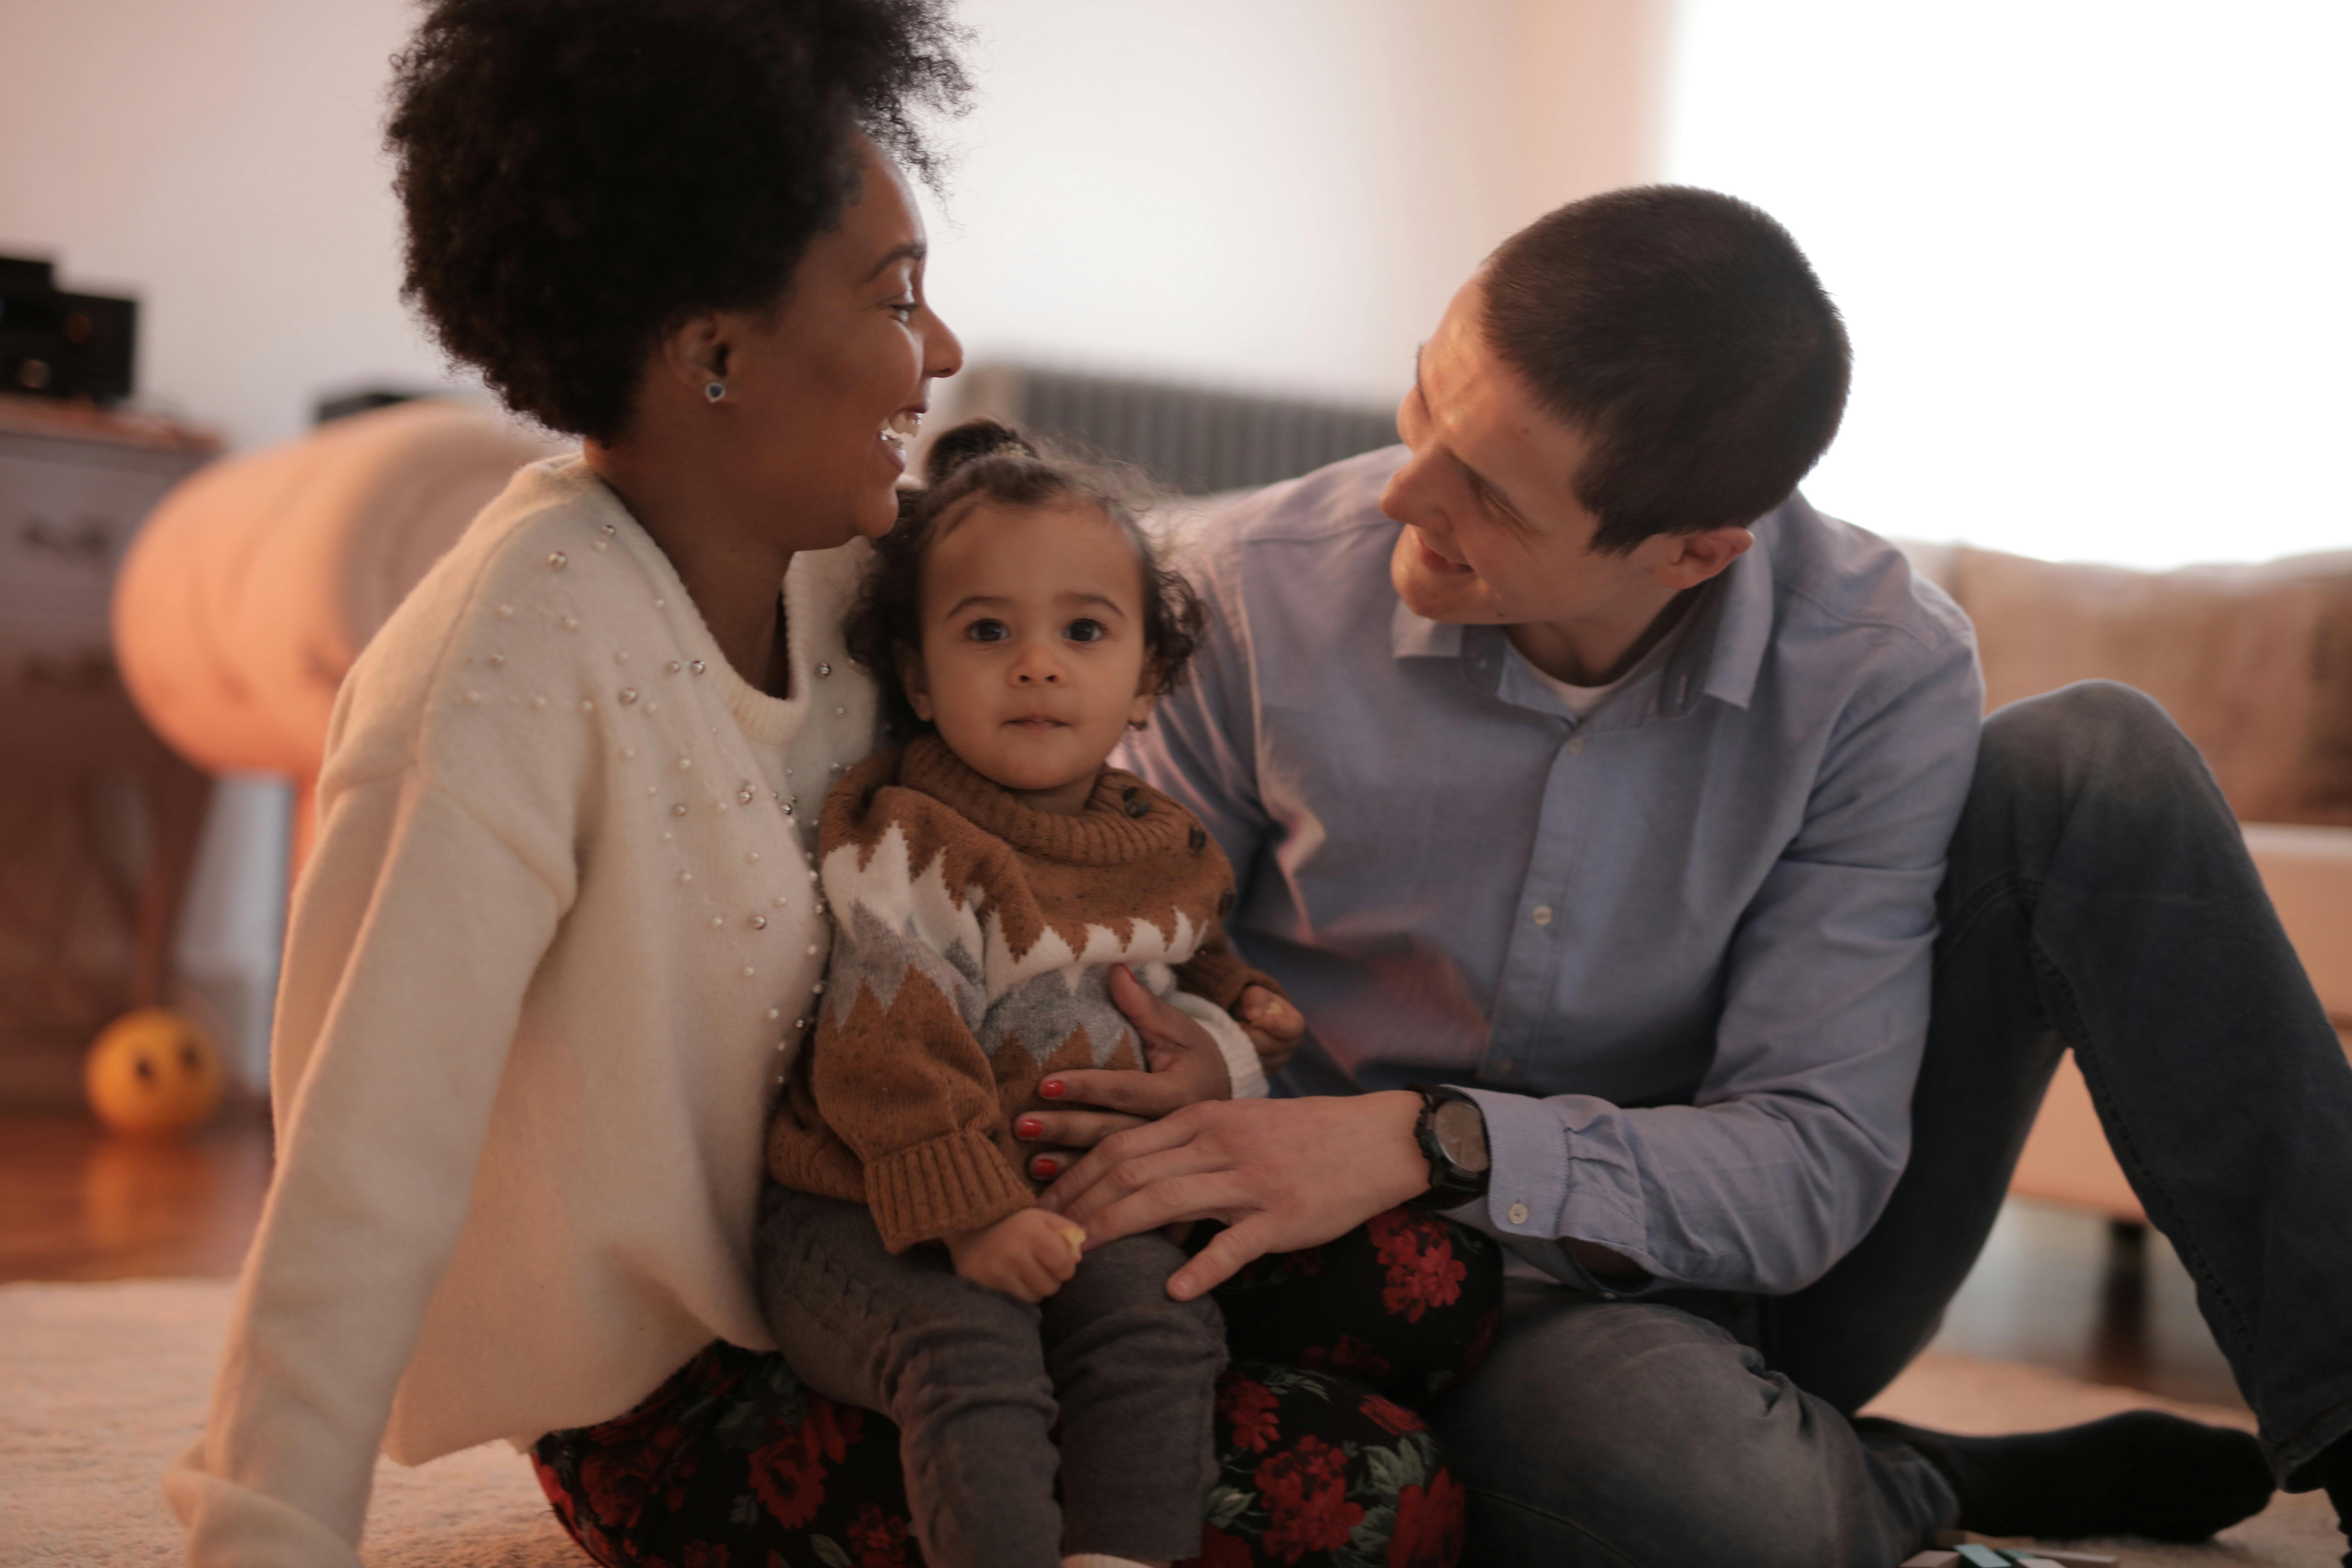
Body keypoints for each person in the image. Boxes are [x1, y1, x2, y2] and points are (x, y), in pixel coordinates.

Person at [168, 3, 1484, 1565]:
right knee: (1383, 1491)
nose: (935, 351)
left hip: (977, 1220)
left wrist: (1195, 1047)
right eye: (895, 296)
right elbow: (357, 1172)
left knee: (1429, 1288)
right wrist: (261, 1535)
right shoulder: (499, 664)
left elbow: (1075, 871)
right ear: (716, 351)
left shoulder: (874, 575)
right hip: (695, 1382)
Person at [1015, 185, 2352, 1566]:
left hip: (1744, 1267)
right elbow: (1133, 987)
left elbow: (1814, 1166)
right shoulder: (1238, 595)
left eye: (1489, 490)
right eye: (1426, 404)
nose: (1402, 490)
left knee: (2099, 761)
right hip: (1375, 1282)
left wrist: (1436, 1134)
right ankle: (1906, 1481)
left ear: (1698, 549)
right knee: (1717, 1505)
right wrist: (1201, 1071)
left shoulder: (1876, 666)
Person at [757, 420, 1306, 1568]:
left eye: (1085, 631)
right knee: (973, 1344)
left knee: (1160, 1330)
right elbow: (888, 1049)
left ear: (1146, 675)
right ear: (916, 671)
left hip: (1060, 1193)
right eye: (988, 631)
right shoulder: (909, 837)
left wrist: (1248, 1009)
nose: (1038, 663)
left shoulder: (1161, 838)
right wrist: (975, 1217)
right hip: (874, 1208)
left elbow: (1189, 954)